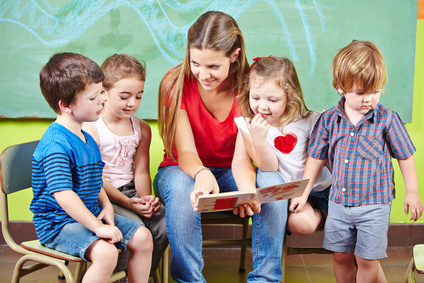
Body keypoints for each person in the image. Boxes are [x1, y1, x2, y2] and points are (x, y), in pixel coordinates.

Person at [153, 11, 283, 282]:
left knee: (271, 180)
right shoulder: (174, 84)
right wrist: (201, 173)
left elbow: (243, 158)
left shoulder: (251, 86)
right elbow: (186, 152)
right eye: (195, 63)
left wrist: (247, 192)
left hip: (234, 170)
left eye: (213, 67)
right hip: (183, 171)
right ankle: (190, 280)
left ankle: (265, 279)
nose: (203, 74)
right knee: (180, 186)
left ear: (234, 56)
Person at [303, 40, 423, 283]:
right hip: (339, 205)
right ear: (340, 88)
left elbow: (406, 155)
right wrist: (302, 194)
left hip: (374, 206)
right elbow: (315, 158)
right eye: (360, 93)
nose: (368, 99)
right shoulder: (328, 121)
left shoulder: (387, 120)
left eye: (375, 91)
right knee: (341, 257)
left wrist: (412, 191)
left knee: (367, 259)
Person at [30, 52, 153, 283]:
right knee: (106, 253)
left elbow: (94, 181)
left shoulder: (85, 136)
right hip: (59, 224)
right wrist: (98, 226)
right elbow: (64, 196)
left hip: (88, 214)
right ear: (66, 105)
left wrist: (106, 206)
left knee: (144, 237)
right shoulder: (56, 144)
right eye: (94, 97)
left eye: (102, 94)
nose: (102, 101)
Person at [232, 56, 332, 282]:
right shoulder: (248, 125)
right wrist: (258, 139)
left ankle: (328, 213)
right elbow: (269, 168)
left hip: (319, 189)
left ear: (290, 96)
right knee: (300, 224)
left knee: (306, 221)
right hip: (287, 196)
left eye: (273, 99)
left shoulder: (308, 121)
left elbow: (323, 158)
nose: (262, 106)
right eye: (255, 97)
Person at [83, 53, 168, 278]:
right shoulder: (92, 129)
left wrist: (145, 199)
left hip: (129, 192)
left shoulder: (142, 129)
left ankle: (142, 275)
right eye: (124, 96)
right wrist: (129, 204)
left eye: (138, 96)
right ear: (104, 92)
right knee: (132, 228)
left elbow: (140, 171)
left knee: (164, 223)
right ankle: (119, 275)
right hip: (100, 195)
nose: (132, 103)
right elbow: (95, 179)